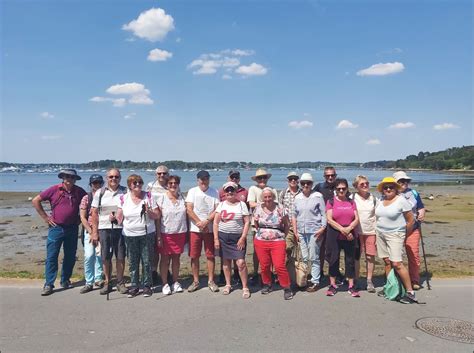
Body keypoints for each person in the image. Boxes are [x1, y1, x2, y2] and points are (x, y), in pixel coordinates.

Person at [32, 169, 86, 296]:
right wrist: (46, 218)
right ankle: (49, 284)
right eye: (66, 176)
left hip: (72, 228)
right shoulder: (54, 189)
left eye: (72, 177)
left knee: (70, 256)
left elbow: (88, 203)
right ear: (62, 177)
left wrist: (80, 219)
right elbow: (36, 200)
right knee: (52, 256)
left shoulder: (79, 191)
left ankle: (65, 280)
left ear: (75, 179)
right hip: (55, 228)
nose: (69, 179)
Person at [375, 177, 417, 304]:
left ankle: (410, 293)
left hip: (395, 234)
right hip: (381, 233)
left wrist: (404, 234)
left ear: (395, 188)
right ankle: (390, 287)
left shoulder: (401, 200)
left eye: (391, 187)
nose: (388, 189)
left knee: (397, 263)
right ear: (382, 189)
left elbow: (411, 220)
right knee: (387, 262)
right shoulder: (381, 200)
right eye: (385, 187)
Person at [117, 174, 159, 298]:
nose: (138, 185)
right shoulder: (123, 198)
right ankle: (134, 286)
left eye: (140, 182)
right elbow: (120, 217)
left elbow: (157, 215)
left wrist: (149, 211)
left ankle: (147, 286)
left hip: (146, 233)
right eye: (134, 183)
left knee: (146, 261)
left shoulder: (149, 197)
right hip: (129, 235)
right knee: (133, 261)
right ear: (129, 185)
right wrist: (113, 218)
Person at [90, 168, 127, 295]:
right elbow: (94, 213)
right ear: (107, 178)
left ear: (120, 178)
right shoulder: (100, 192)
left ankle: (120, 281)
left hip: (121, 229)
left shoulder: (125, 191)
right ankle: (107, 282)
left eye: (116, 177)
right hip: (104, 228)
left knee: (121, 256)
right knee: (105, 257)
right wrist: (94, 232)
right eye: (111, 177)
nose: (113, 179)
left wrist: (118, 215)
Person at [253, 188, 293, 300]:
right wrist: (263, 233)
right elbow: (256, 223)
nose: (267, 199)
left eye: (269, 196)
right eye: (265, 197)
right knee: (264, 265)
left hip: (278, 240)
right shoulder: (258, 208)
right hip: (261, 240)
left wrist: (282, 236)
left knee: (279, 265)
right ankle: (267, 284)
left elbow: (287, 224)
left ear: (273, 197)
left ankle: (286, 287)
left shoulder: (280, 208)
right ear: (262, 198)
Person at [214, 181, 251, 298]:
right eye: (227, 190)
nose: (230, 192)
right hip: (223, 236)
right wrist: (216, 238)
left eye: (232, 190)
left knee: (241, 262)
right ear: (224, 193)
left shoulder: (242, 205)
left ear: (236, 192)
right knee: (226, 262)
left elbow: (247, 222)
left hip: (238, 238)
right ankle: (228, 284)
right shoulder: (221, 205)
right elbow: (215, 222)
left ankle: (245, 287)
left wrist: (243, 237)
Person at [185, 170, 220, 293]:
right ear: (198, 180)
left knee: (210, 255)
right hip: (195, 229)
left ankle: (211, 281)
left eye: (206, 179)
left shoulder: (214, 192)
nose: (203, 181)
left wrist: (206, 221)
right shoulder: (192, 191)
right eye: (201, 179)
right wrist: (199, 223)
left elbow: (217, 210)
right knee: (194, 256)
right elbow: (189, 209)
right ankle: (195, 281)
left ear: (209, 179)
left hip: (209, 229)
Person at [325, 178, 360, 298]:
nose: (341, 190)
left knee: (350, 260)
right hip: (335, 234)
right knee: (333, 259)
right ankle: (333, 285)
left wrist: (349, 228)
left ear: (347, 189)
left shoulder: (351, 202)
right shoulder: (331, 202)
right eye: (339, 188)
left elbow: (356, 219)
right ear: (335, 189)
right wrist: (343, 230)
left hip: (350, 235)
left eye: (343, 188)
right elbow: (329, 219)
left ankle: (351, 286)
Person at [292, 173, 326, 292]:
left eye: (308, 183)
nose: (305, 185)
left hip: (314, 231)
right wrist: (295, 231)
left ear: (312, 184)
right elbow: (294, 215)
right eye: (303, 183)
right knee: (304, 257)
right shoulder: (297, 197)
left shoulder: (317, 196)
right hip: (301, 231)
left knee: (314, 257)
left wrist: (323, 228)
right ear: (300, 184)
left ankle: (315, 281)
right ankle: (303, 280)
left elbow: (323, 213)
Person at [393, 171, 426, 290]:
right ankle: (396, 279)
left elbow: (421, 207)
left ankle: (414, 280)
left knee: (414, 255)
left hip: (413, 228)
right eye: (401, 181)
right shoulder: (391, 193)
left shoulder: (414, 193)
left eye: (406, 181)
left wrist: (422, 213)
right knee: (395, 257)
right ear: (395, 183)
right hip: (396, 229)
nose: (404, 183)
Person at [156, 175, 187, 295]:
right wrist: (158, 235)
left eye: (175, 183)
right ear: (167, 185)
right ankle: (164, 284)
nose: (173, 185)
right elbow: (157, 220)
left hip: (180, 232)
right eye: (170, 183)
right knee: (164, 259)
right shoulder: (162, 198)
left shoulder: (182, 198)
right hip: (166, 233)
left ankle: (175, 282)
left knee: (176, 259)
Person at [247, 168, 278, 285]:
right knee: (257, 250)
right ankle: (256, 273)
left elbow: (277, 204)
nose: (262, 180)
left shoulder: (272, 189)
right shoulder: (253, 189)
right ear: (256, 179)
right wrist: (266, 204)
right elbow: (251, 204)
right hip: (257, 224)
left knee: (272, 249)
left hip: (272, 224)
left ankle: (271, 273)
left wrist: (265, 204)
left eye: (264, 177)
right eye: (260, 178)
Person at [217, 170, 248, 285]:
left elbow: (246, 215)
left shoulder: (244, 191)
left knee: (239, 260)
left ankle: (238, 276)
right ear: (228, 177)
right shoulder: (222, 191)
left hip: (238, 231)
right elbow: (218, 213)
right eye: (232, 177)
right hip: (224, 232)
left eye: (236, 177)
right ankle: (224, 278)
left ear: (239, 178)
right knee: (225, 259)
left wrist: (244, 236)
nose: (234, 179)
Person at [313, 166, 340, 282]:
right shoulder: (319, 187)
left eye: (332, 175)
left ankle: (334, 273)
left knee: (334, 249)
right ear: (324, 176)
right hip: (321, 222)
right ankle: (320, 272)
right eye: (328, 175)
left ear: (335, 176)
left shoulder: (340, 187)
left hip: (336, 223)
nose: (330, 177)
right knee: (321, 248)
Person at [79, 174, 105, 294]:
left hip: (103, 229)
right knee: (89, 255)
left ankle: (98, 278)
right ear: (90, 185)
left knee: (100, 256)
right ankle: (88, 281)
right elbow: (83, 217)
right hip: (89, 230)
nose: (97, 185)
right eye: (95, 183)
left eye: (99, 183)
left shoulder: (105, 196)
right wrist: (90, 231)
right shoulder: (86, 198)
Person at [352, 175, 378, 293]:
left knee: (370, 256)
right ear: (356, 186)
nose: (365, 185)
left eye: (366, 183)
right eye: (362, 184)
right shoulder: (352, 197)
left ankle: (369, 280)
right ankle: (356, 280)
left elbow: (379, 216)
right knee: (356, 257)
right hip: (357, 232)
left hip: (371, 231)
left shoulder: (374, 199)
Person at [147, 165, 170, 285]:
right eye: (159, 173)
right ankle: (153, 271)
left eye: (164, 173)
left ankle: (166, 271)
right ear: (156, 175)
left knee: (166, 250)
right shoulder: (151, 186)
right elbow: (147, 200)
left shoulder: (171, 185)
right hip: (153, 221)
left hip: (167, 221)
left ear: (168, 174)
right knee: (155, 249)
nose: (162, 175)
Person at [278, 171, 301, 289]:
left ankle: (300, 278)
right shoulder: (283, 193)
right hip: (288, 227)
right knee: (286, 251)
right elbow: (279, 209)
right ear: (288, 180)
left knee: (301, 254)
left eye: (295, 179)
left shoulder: (302, 193)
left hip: (301, 227)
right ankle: (286, 277)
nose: (293, 180)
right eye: (291, 179)